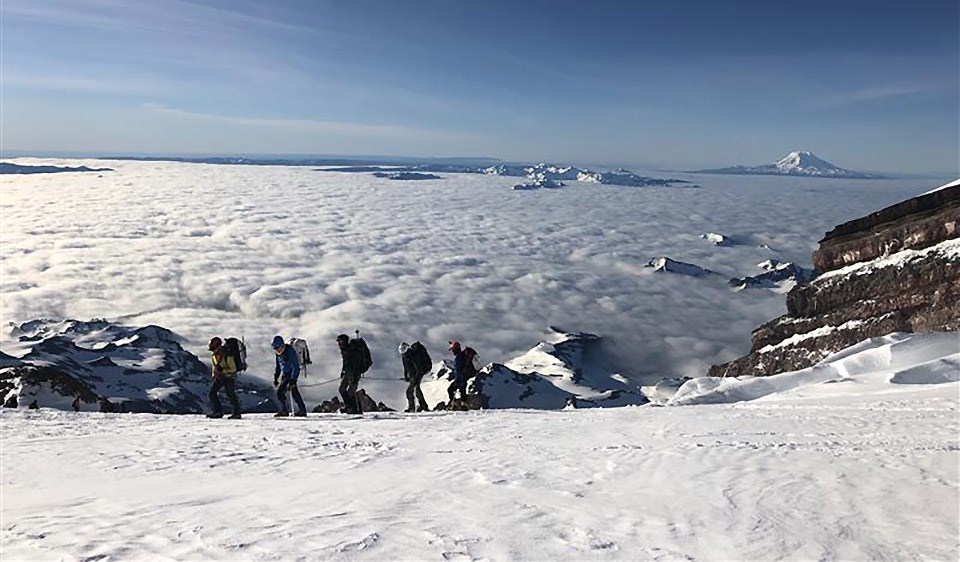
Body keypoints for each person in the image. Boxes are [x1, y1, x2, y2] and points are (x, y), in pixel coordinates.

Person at [207, 337, 242, 419]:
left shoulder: (228, 355)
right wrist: (215, 374)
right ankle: (218, 412)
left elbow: (233, 369)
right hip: (221, 376)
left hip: (229, 377)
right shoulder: (215, 355)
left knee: (230, 394)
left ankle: (235, 413)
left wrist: (222, 371)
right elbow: (214, 366)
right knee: (213, 394)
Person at [272, 335, 306, 417]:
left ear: (281, 345)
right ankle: (302, 410)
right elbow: (279, 365)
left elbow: (295, 366)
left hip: (290, 374)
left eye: (277, 347)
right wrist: (276, 376)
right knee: (294, 392)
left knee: (280, 392)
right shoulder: (278, 353)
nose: (277, 350)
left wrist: (293, 379)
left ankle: (285, 411)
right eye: (275, 348)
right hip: (285, 374)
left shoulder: (289, 351)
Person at [399, 342, 430, 413]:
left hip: (417, 375)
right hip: (412, 375)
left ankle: (412, 407)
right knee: (417, 390)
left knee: (409, 391)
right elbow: (406, 368)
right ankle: (423, 406)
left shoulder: (413, 355)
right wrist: (406, 376)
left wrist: (416, 379)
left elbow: (418, 368)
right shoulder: (404, 356)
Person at [337, 334, 363, 414]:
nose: (338, 343)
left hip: (354, 373)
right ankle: (350, 407)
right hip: (348, 373)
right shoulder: (344, 350)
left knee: (351, 391)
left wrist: (354, 375)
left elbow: (355, 363)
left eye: (340, 341)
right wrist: (343, 371)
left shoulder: (351, 350)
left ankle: (355, 409)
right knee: (342, 389)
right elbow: (346, 362)